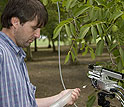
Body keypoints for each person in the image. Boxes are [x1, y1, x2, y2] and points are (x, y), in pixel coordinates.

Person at [0, 0, 81, 107]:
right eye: (34, 28)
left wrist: (60, 98)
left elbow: (25, 102)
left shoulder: (16, 54)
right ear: (15, 22)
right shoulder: (2, 52)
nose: (38, 35)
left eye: (39, 29)